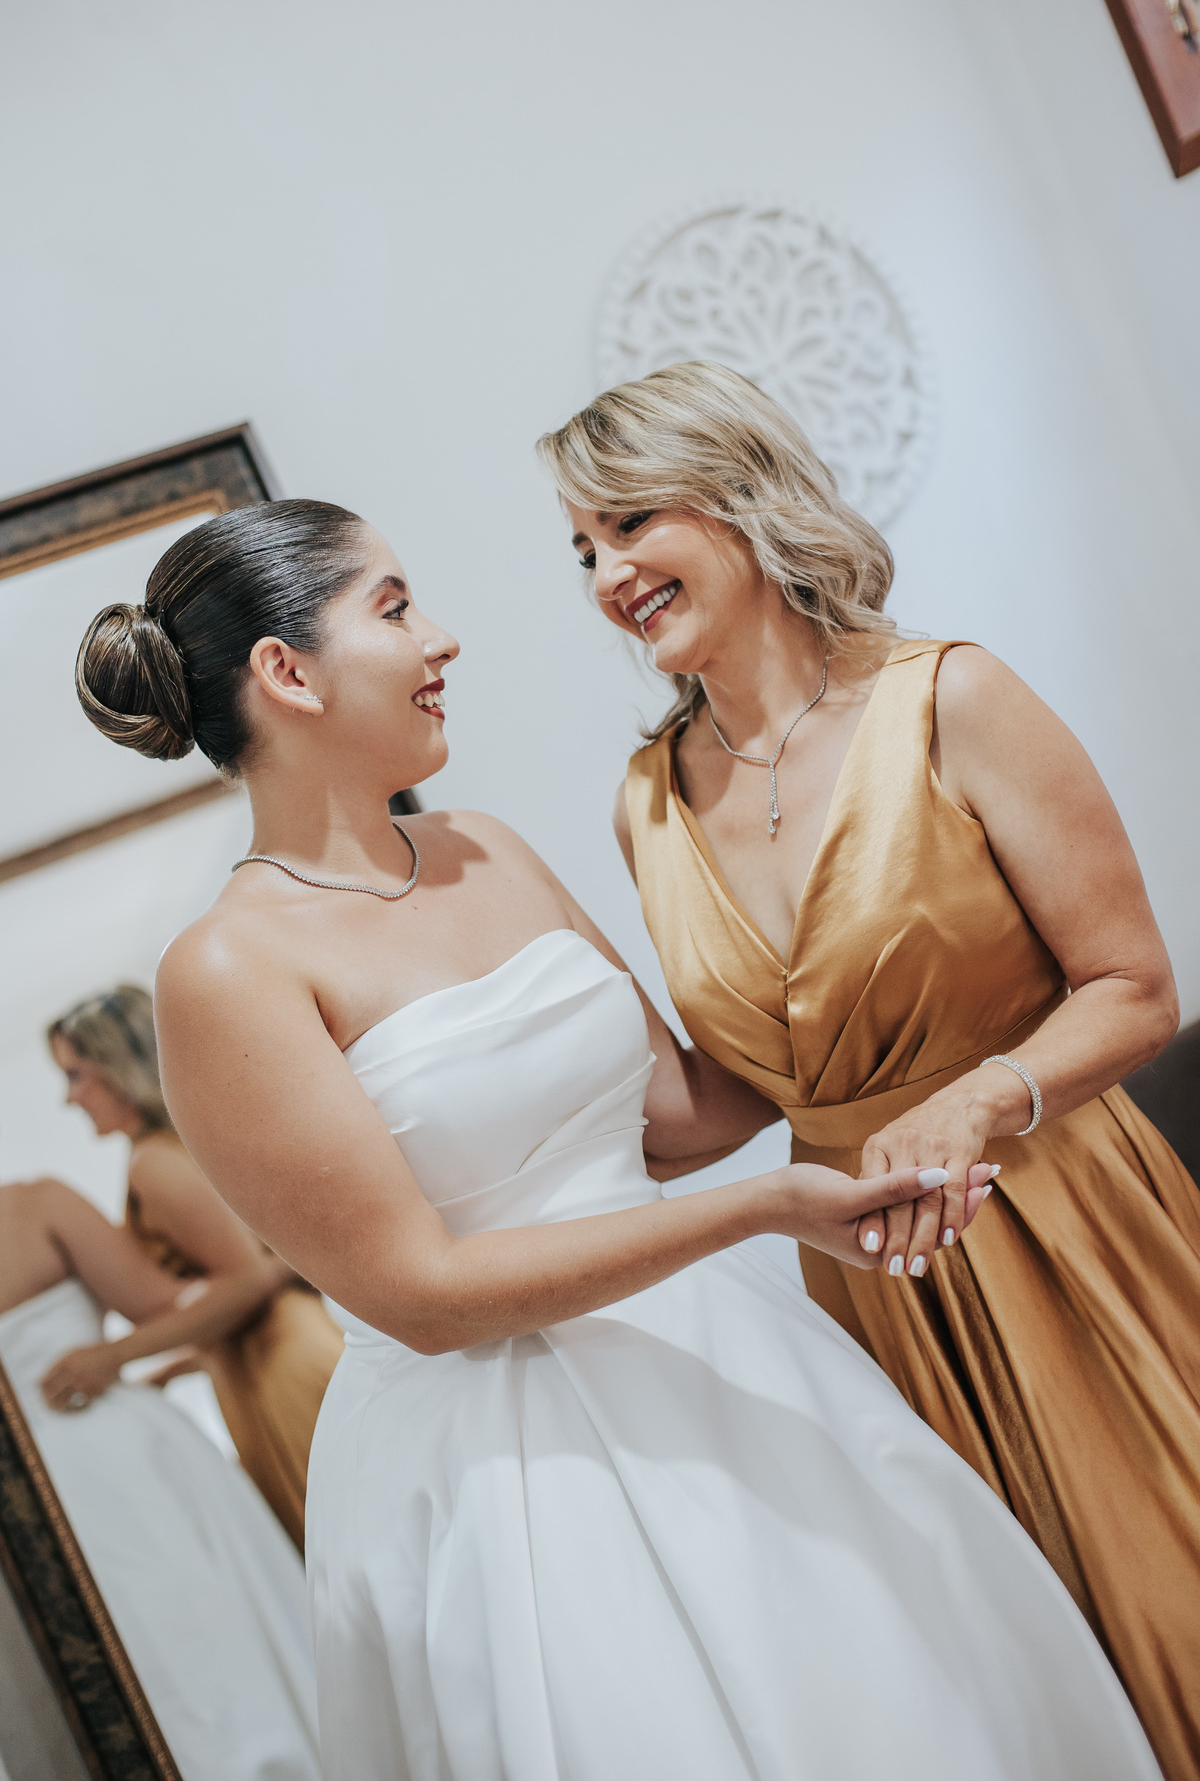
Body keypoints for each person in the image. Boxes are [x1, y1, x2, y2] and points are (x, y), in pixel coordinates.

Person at [71, 497, 1162, 1781]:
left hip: (721, 1362)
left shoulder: (487, 849)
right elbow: (422, 1297)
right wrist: (766, 1209)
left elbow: (684, 1110)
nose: (443, 640)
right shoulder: (224, 971)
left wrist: (907, 947)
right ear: (287, 672)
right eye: (396, 608)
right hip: (508, 1466)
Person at [537, 359, 1200, 1781]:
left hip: (1066, 1219)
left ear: (739, 496)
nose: (606, 574)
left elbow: (1136, 989)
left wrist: (982, 1096)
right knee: (1021, 1669)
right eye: (580, 548)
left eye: (630, 522)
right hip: (870, 1281)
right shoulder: (645, 802)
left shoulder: (953, 697)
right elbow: (739, 1094)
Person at [0, 1177, 321, 1781]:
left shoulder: (37, 1206)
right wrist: (114, 1357)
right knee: (200, 1624)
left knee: (138, 1651)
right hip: (112, 1455)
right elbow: (167, 1303)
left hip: (29, 1506)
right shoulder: (35, 1205)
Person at [45, 984, 345, 1549]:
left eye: (75, 1074)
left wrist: (113, 1357)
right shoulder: (181, 1143)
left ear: (116, 1065)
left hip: (278, 1365)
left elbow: (248, 1283)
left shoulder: (154, 1163)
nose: (69, 1098)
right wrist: (177, 1367)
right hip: (263, 1355)